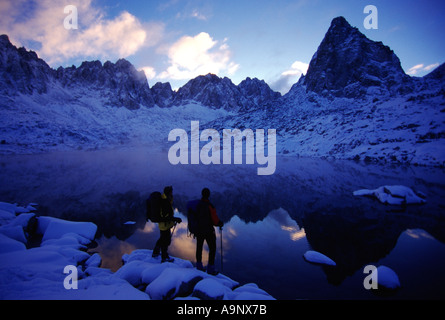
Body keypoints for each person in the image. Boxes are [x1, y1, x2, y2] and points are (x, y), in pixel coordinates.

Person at [195, 187, 224, 275]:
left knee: (199, 247)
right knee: (212, 248)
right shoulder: (210, 206)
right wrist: (220, 223)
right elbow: (215, 221)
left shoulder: (197, 204)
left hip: (199, 230)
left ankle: (199, 266)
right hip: (208, 231)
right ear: (209, 195)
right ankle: (210, 269)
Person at [152, 186, 182, 263]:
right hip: (164, 224)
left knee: (162, 238)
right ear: (169, 192)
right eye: (171, 192)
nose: (172, 193)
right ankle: (164, 257)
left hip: (163, 224)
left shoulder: (164, 200)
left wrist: (173, 219)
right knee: (165, 240)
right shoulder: (164, 202)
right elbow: (166, 217)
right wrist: (175, 219)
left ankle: (156, 252)